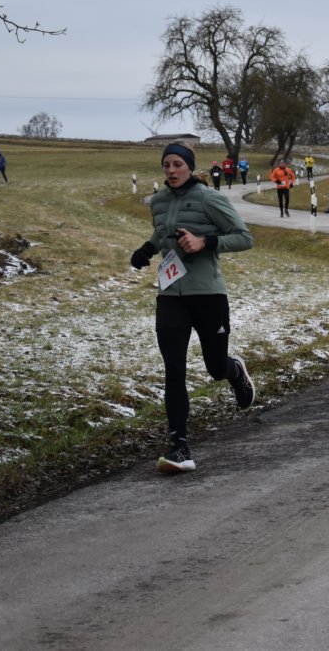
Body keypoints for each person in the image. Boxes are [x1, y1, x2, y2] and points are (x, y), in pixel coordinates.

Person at [129, 142, 257, 473]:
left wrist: (206, 242)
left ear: (189, 166)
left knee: (215, 367)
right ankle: (179, 447)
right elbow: (161, 232)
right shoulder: (158, 201)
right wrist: (147, 249)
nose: (171, 170)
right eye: (166, 165)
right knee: (174, 369)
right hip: (171, 294)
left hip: (208, 294)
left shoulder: (209, 199)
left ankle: (234, 371)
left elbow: (244, 237)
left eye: (177, 164)